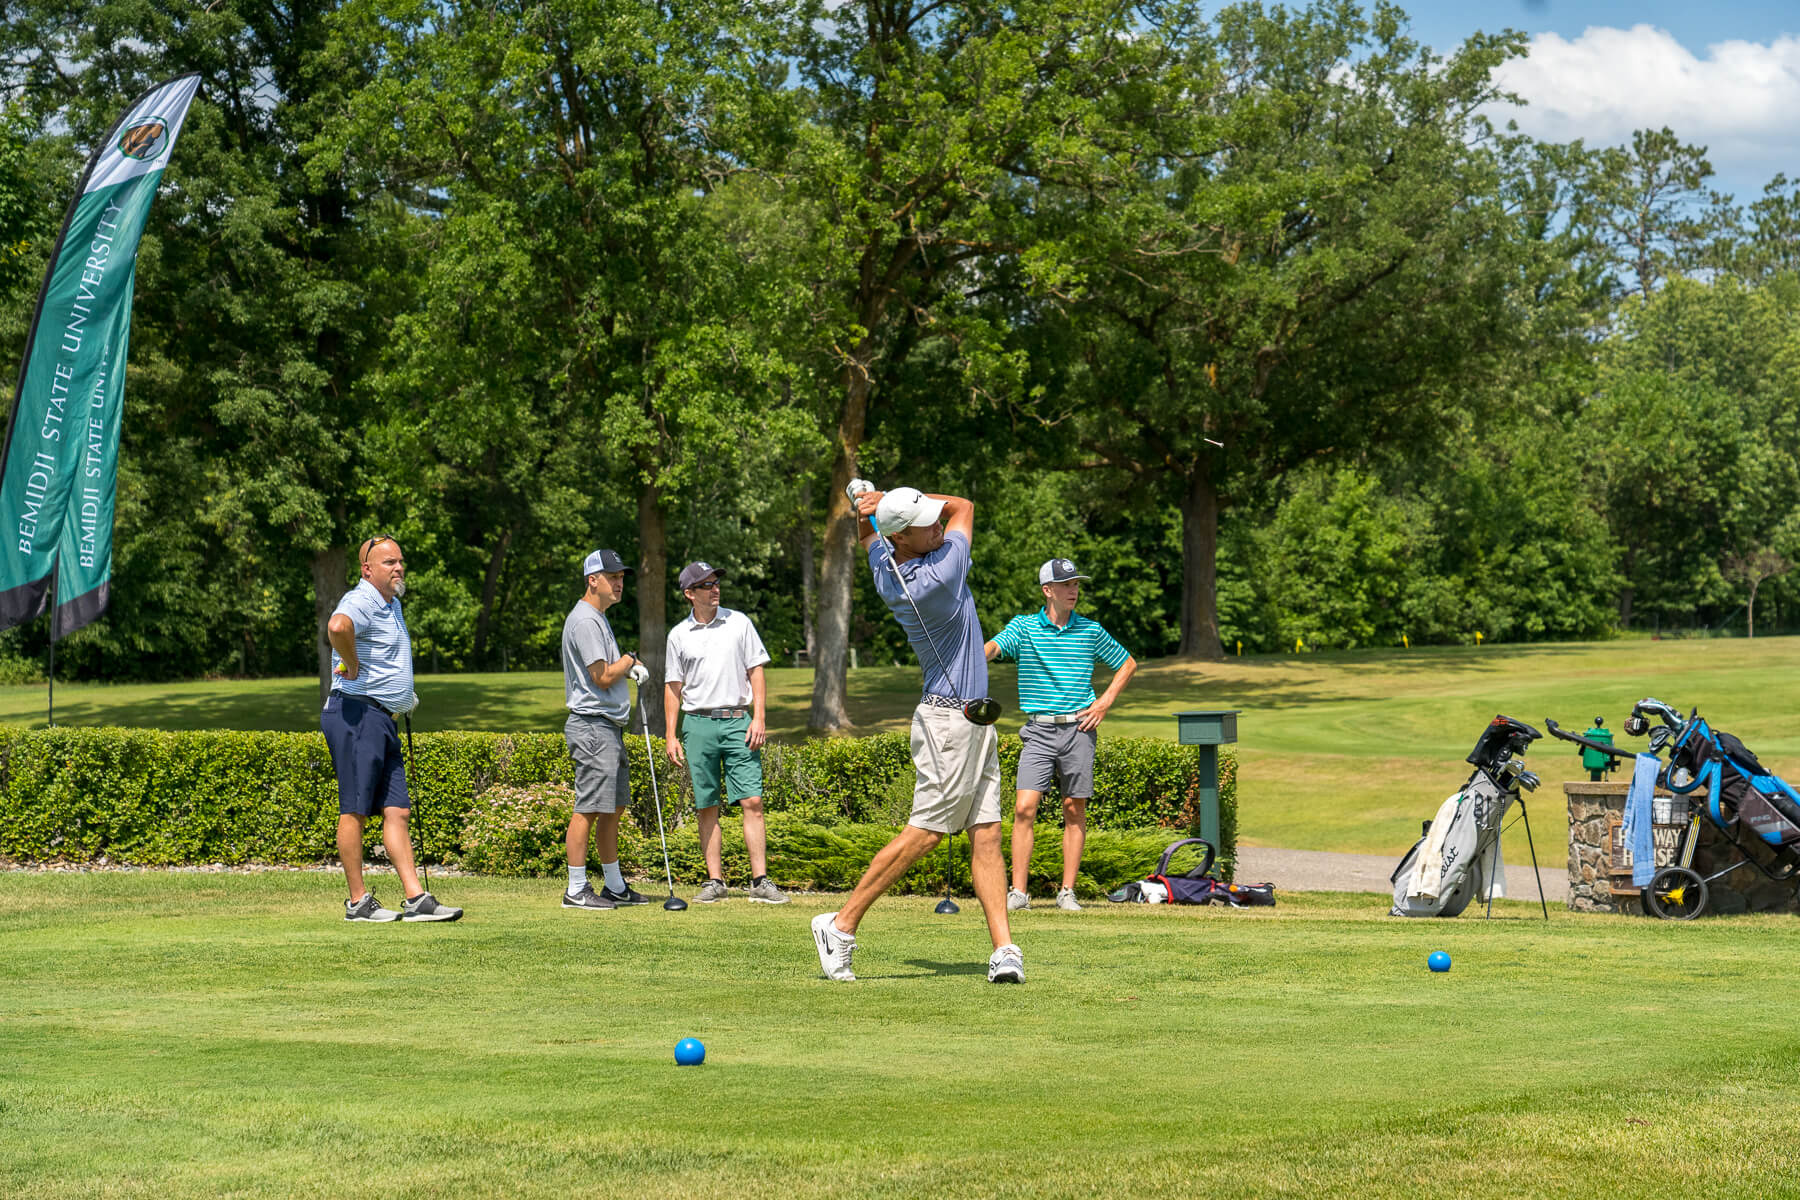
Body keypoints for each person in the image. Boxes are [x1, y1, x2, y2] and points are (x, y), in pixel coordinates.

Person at [811, 485, 1023, 984]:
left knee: (988, 833)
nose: (937, 525)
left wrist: (866, 509)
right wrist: (882, 496)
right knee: (927, 832)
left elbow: (869, 537)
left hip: (967, 721)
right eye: (925, 522)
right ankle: (840, 925)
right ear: (903, 537)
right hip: (950, 724)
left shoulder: (889, 565)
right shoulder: (942, 572)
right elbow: (965, 506)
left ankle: (1004, 950)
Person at [322, 535, 462, 923]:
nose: (398, 568)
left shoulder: (392, 603)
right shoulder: (362, 599)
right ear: (368, 570)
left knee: (397, 810)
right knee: (355, 810)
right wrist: (349, 664)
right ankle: (358, 903)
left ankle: (416, 899)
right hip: (355, 714)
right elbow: (337, 626)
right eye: (389, 563)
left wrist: (402, 697)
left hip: (382, 718)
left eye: (400, 562)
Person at [985, 557, 1137, 912]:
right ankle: (1019, 893)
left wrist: (1103, 703)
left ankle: (1067, 892)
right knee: (1024, 808)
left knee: (1074, 807)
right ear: (1047, 590)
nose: (1074, 590)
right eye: (1067, 585)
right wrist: (977, 653)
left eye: (1076, 584)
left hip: (1079, 729)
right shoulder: (1024, 628)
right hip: (1038, 730)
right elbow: (995, 646)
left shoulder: (1090, 630)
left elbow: (1127, 663)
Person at [663, 560, 788, 904]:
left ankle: (760, 881)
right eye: (706, 585)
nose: (715, 588)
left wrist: (758, 717)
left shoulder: (740, 623)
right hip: (698, 724)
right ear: (689, 594)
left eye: (716, 582)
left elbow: (756, 672)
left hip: (737, 721)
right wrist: (671, 735)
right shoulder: (678, 635)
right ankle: (715, 882)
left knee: (753, 800)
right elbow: (673, 687)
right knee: (707, 805)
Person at [560, 549, 653, 911]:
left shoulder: (598, 618)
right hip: (593, 726)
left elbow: (605, 671)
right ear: (591, 580)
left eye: (622, 577)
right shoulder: (585, 620)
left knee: (611, 808)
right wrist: (630, 660)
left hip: (607, 727)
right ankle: (576, 888)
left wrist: (627, 666)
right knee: (588, 808)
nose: (619, 583)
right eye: (611, 576)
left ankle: (614, 886)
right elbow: (600, 677)